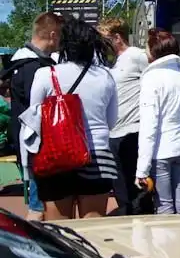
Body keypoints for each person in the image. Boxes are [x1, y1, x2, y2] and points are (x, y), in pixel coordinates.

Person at [29, 17, 118, 220]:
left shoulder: (45, 74)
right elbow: (111, 121)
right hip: (97, 154)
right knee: (94, 225)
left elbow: (34, 118)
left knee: (59, 227)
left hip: (57, 155)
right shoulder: (105, 76)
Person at [1, 12, 63, 221]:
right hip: (36, 143)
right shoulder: (33, 67)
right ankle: (30, 240)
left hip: (28, 141)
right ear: (52, 35)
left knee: (39, 203)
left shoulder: (21, 63)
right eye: (60, 35)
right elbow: (37, 108)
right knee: (39, 207)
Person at [136, 29, 180, 215]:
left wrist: (141, 169)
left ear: (154, 50)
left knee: (164, 207)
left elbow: (149, 125)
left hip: (160, 150)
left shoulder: (151, 78)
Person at [98, 18, 149, 215]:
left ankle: (143, 223)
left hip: (133, 131)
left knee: (137, 191)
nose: (102, 45)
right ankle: (128, 222)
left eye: (105, 40)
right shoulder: (113, 62)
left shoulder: (136, 55)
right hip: (114, 133)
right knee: (120, 190)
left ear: (117, 38)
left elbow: (152, 83)